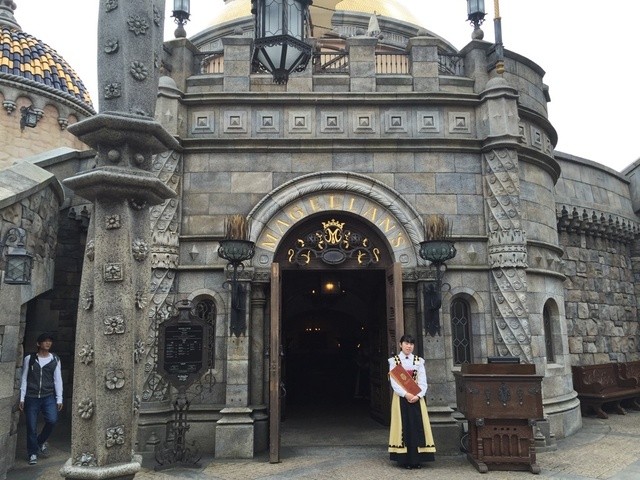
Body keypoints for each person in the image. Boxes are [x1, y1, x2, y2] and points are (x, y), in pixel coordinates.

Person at [388, 334, 435, 469]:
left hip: (416, 399)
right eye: (406, 343)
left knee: (416, 426)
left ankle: (417, 460)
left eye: (411, 344)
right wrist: (406, 394)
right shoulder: (394, 361)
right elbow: (394, 383)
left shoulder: (419, 361)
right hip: (401, 399)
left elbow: (423, 382)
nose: (409, 346)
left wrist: (418, 396)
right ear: (400, 344)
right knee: (404, 427)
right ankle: (404, 460)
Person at [19, 332, 63, 465]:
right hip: (31, 396)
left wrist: (59, 398)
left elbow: (58, 379)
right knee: (31, 426)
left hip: (48, 396)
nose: (48, 343)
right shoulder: (30, 359)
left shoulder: (55, 359)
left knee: (52, 420)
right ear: (38, 343)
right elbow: (24, 378)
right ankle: (32, 453)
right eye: (45, 341)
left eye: (50, 341)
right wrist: (22, 397)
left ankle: (40, 441)